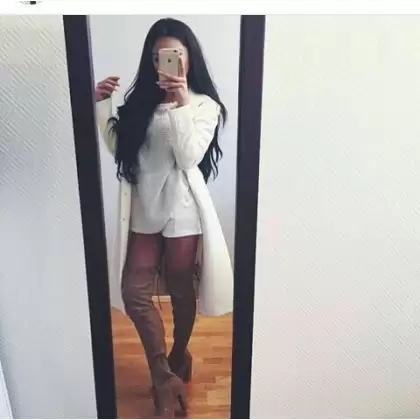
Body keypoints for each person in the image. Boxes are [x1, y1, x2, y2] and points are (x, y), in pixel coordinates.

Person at [94, 18, 234, 418]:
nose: (166, 62)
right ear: (152, 61)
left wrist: (181, 105)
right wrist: (101, 105)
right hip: (145, 208)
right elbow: (121, 150)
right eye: (158, 57)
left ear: (189, 57)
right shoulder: (141, 103)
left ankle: (178, 355)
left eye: (174, 54)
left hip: (183, 211)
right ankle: (161, 374)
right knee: (134, 291)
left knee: (180, 288)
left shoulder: (205, 106)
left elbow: (189, 156)